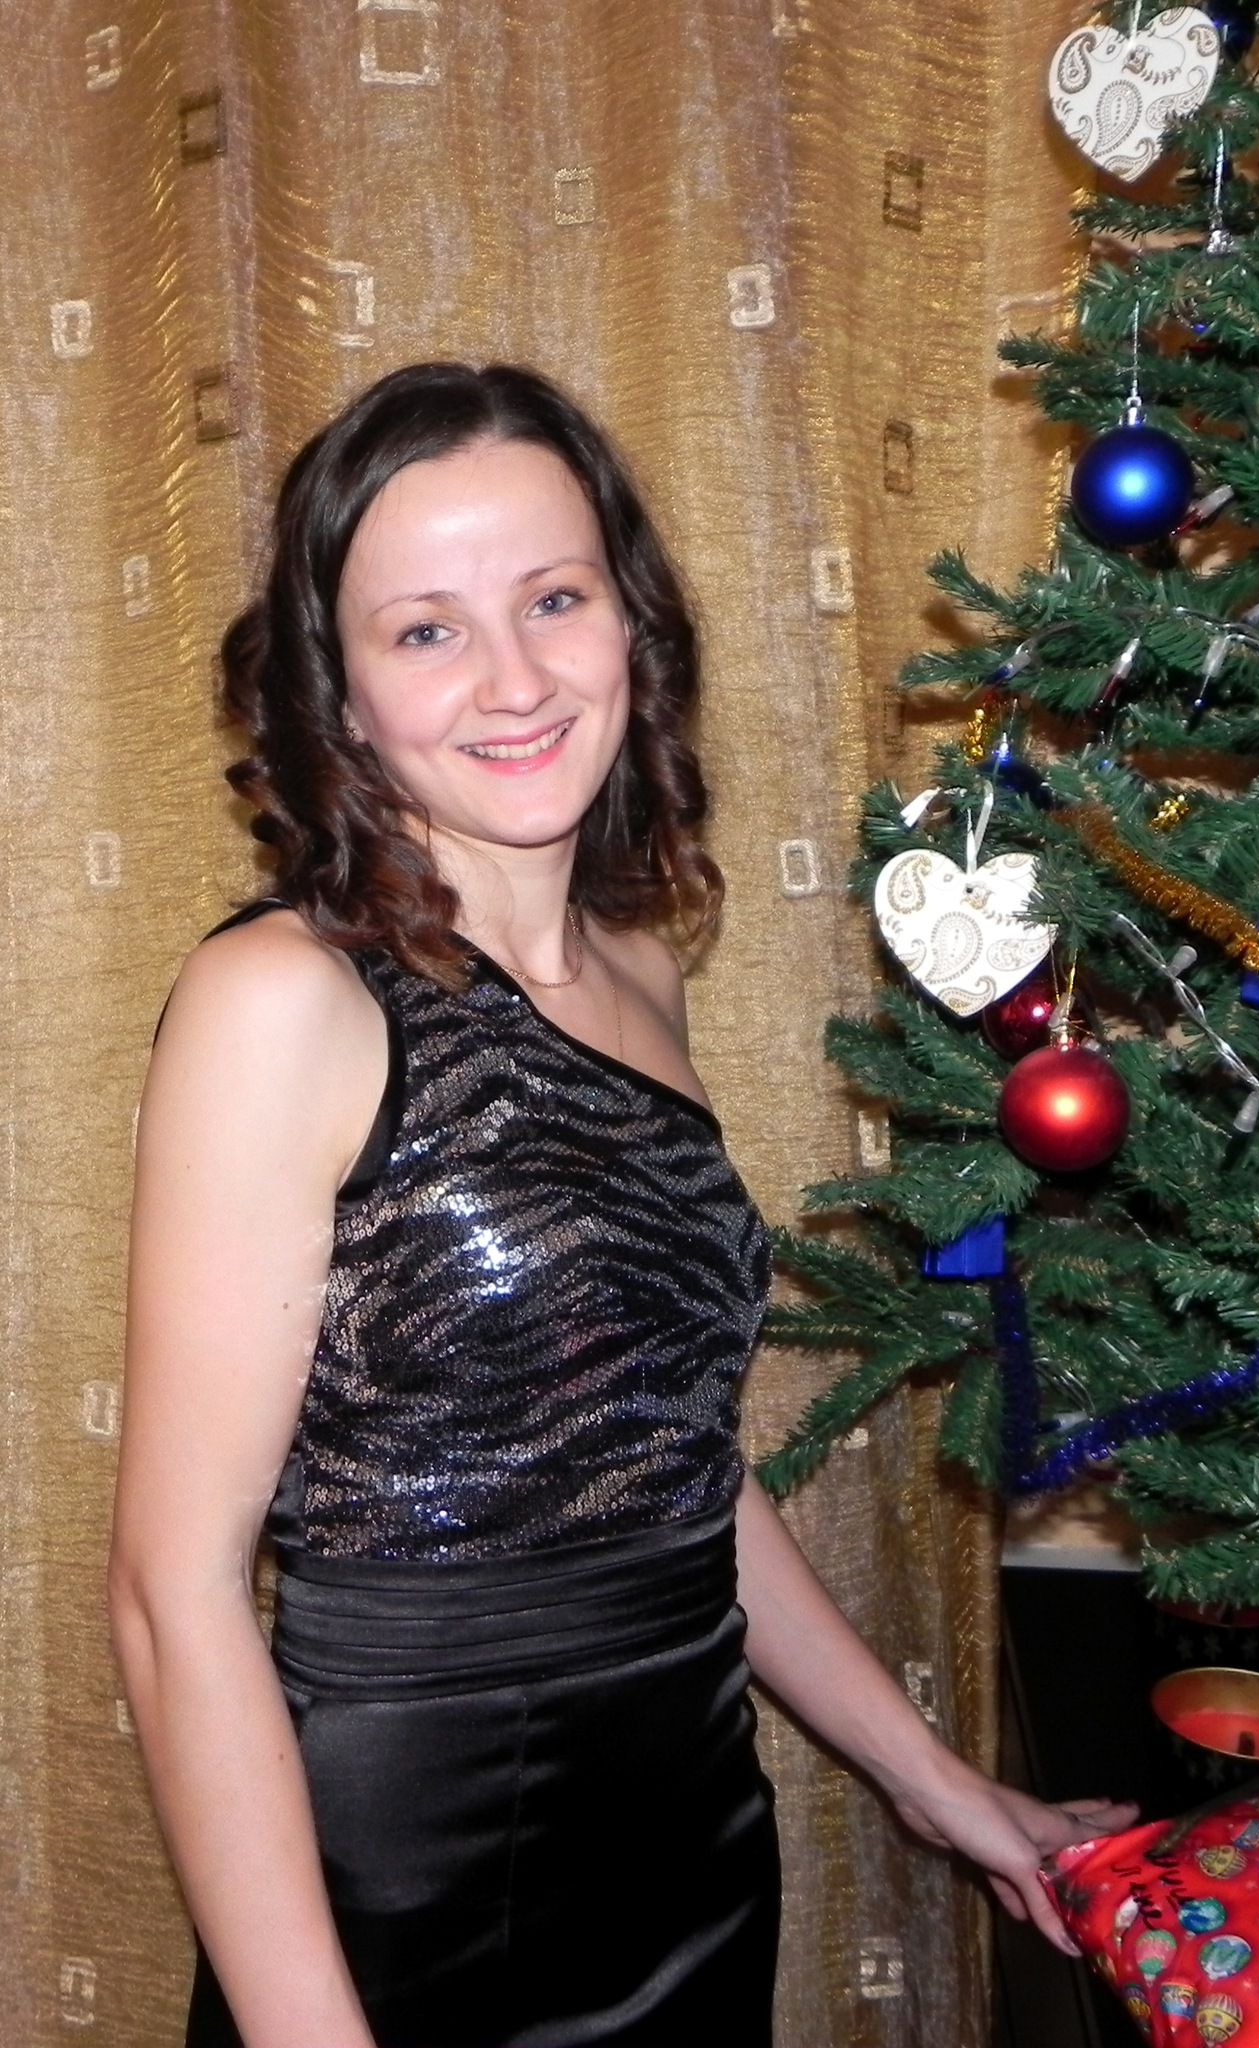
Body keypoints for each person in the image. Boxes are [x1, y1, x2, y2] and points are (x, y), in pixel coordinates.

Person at [107, 361, 1133, 2048]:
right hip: (406, 1892)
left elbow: (666, 1463)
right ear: (338, 691)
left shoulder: (640, 965)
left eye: (554, 599)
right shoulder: (286, 998)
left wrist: (944, 1790)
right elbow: (176, 1594)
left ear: (632, 624)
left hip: (689, 1849)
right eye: (425, 629)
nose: (513, 679)